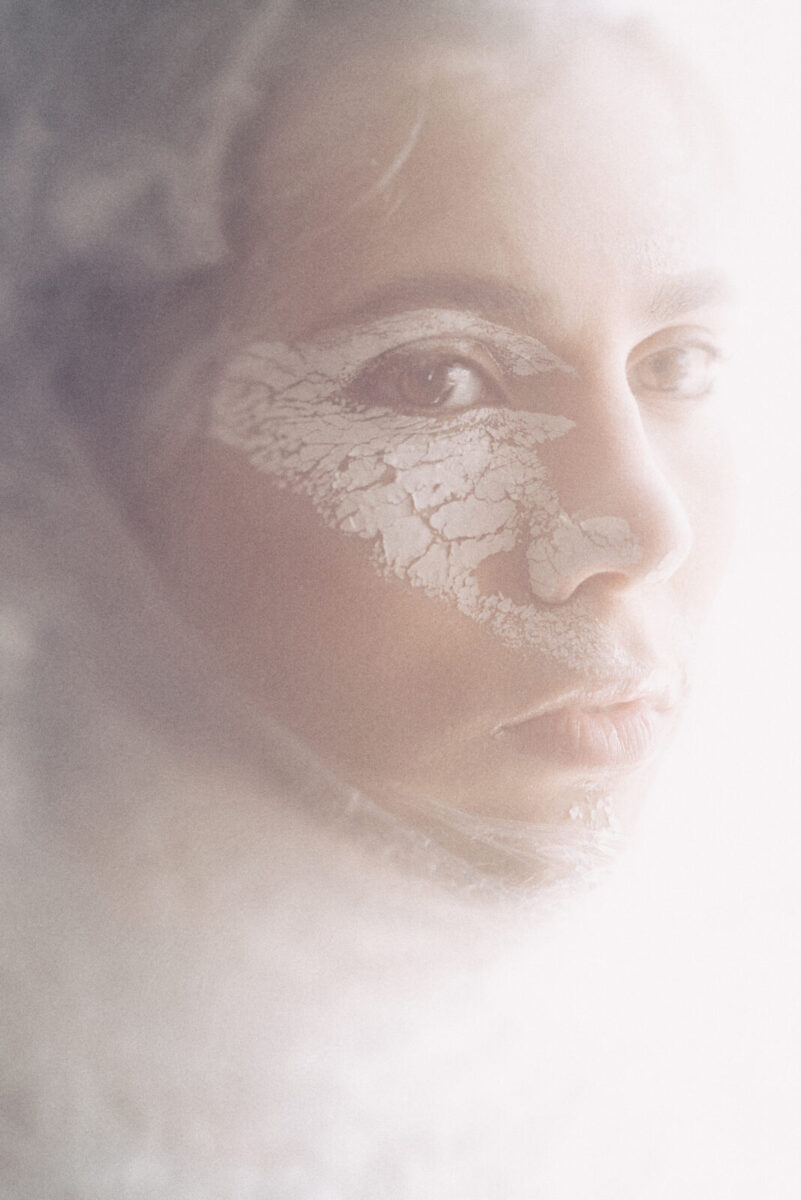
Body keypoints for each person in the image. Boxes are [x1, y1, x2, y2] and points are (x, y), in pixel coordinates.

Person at [1, 1, 740, 1195]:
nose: (649, 526)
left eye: (679, 364)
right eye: (437, 378)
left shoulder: (701, 1085)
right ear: (53, 452)